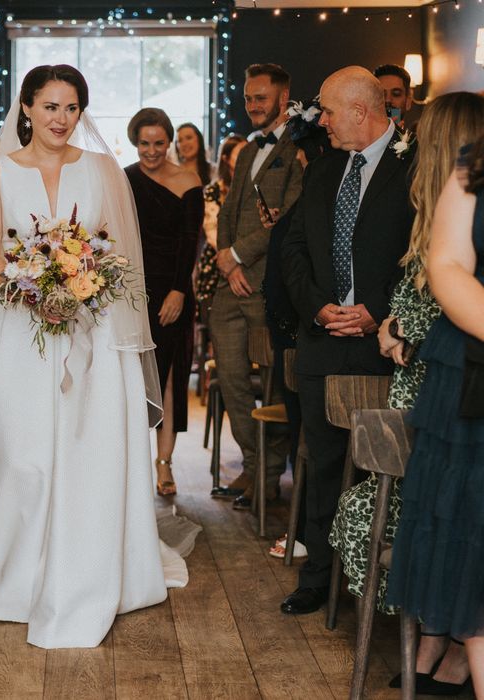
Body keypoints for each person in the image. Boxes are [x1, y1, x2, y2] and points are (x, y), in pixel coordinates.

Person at [0, 64, 197, 649]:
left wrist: (80, 282)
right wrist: (36, 291)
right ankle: (17, 575)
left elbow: (118, 253)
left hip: (93, 332)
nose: (60, 118)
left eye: (71, 107)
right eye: (50, 106)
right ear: (25, 108)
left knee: (89, 452)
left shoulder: (103, 170)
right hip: (16, 329)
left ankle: (92, 561)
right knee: (19, 455)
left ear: (82, 113)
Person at [330, 90, 484, 694]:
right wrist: (394, 328)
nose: (411, 144)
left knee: (390, 517)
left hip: (441, 393)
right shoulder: (444, 212)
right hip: (433, 393)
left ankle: (446, 644)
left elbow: (423, 315)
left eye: (422, 137)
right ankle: (441, 643)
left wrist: (403, 333)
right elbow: (428, 293)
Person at [280, 66, 414, 616]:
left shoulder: (414, 168)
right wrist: (318, 306)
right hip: (322, 340)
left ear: (361, 111)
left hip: (384, 346)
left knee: (385, 468)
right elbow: (291, 249)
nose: (322, 121)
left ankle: (380, 585)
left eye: (330, 112)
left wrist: (376, 315)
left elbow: (423, 255)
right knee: (323, 464)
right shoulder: (324, 169)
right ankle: (318, 576)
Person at [385, 132, 484, 696]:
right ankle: (437, 649)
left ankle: (440, 654)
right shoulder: (475, 166)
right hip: (469, 376)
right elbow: (445, 267)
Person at [209, 63, 303, 506]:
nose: (252, 105)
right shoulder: (247, 150)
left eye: (260, 98)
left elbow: (287, 218)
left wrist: (239, 255)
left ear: (283, 99)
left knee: (273, 383)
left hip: (268, 288)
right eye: (248, 98)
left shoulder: (299, 148)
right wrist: (227, 262)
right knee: (231, 380)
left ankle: (268, 475)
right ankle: (250, 464)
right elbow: (228, 211)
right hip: (231, 287)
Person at [257, 97, 332, 559]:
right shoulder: (311, 194)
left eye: (303, 157)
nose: (301, 164)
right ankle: (306, 528)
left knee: (312, 439)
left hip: (307, 328)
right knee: (308, 437)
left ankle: (308, 530)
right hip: (298, 327)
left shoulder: (317, 191)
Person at [125, 108, 204, 496]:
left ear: (169, 141)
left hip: (172, 291)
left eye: (159, 143)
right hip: (133, 292)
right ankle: (129, 463)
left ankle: (163, 463)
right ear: (134, 141)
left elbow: (190, 242)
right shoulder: (124, 179)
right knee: (131, 378)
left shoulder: (188, 180)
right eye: (144, 143)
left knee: (169, 377)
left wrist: (179, 291)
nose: (152, 151)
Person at [196, 135, 246, 322]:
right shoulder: (213, 190)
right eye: (240, 154)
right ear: (225, 159)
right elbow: (212, 232)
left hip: (246, 262)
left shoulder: (253, 187)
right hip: (217, 265)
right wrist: (232, 260)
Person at [374, 63, 413, 129]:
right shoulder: (356, 138)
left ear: (408, 101)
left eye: (396, 94)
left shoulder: (417, 139)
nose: (387, 100)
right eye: (381, 94)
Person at [176, 122, 212, 186]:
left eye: (189, 138)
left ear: (199, 139)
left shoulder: (213, 171)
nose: (184, 144)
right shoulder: (173, 172)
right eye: (180, 140)